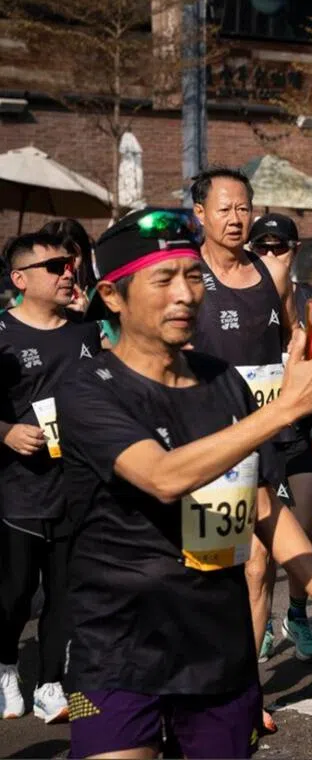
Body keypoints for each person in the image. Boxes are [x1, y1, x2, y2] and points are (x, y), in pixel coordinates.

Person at [58, 208, 312, 759]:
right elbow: (161, 476)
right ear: (112, 296)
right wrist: (284, 410)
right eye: (164, 280)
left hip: (218, 647)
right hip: (117, 646)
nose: (186, 294)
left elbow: (262, 507)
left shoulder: (222, 382)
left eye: (192, 276)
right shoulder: (89, 388)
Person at [188, 169, 300, 731]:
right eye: (225, 208)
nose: (236, 219)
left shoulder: (272, 271)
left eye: (244, 208)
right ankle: (190, 686)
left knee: (261, 568)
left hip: (266, 439)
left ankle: (245, 691)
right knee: (204, 571)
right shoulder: (185, 277)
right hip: (206, 445)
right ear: (200, 215)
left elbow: (293, 342)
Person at [0, 232, 102, 723]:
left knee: (65, 593)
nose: (68, 273)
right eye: (55, 266)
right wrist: (5, 433)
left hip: (76, 489)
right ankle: (3, 663)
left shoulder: (85, 332)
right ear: (20, 279)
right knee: (15, 591)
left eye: (70, 265)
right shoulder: (1, 334)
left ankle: (49, 683)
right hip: (16, 491)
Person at [245, 213, 312, 663]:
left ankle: (296, 614)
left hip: (300, 437)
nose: (272, 256)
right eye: (263, 248)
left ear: (295, 250)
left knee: (303, 532)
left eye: (281, 248)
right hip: (254, 437)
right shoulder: (235, 305)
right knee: (256, 549)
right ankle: (253, 626)